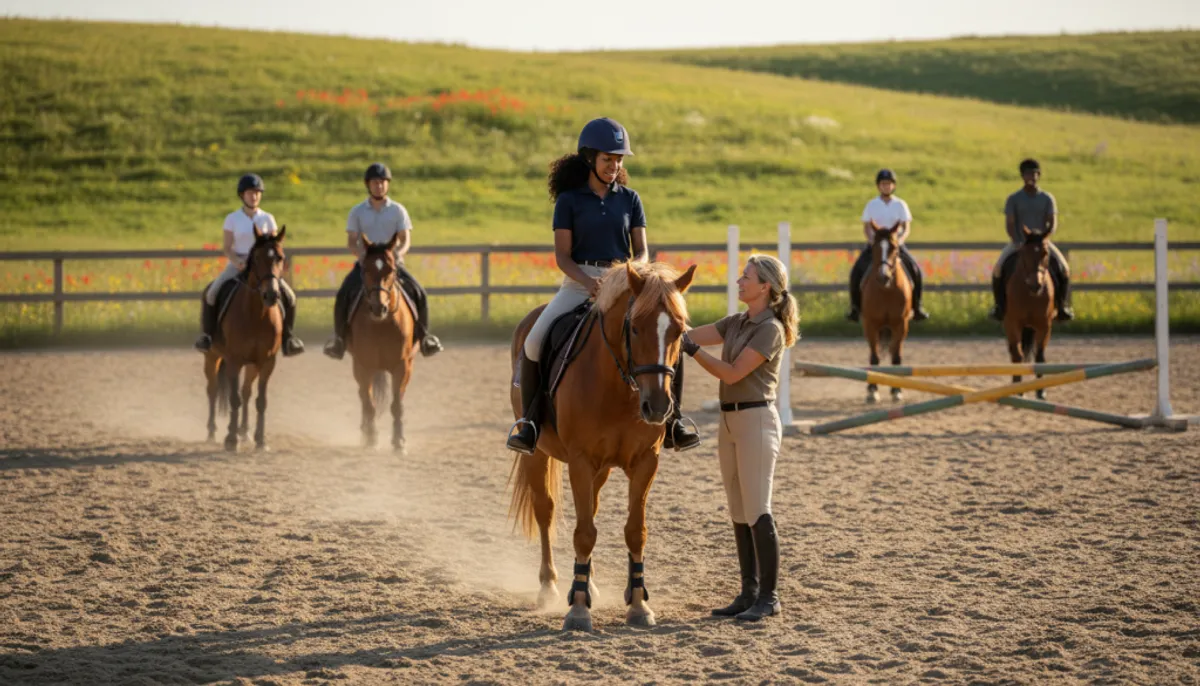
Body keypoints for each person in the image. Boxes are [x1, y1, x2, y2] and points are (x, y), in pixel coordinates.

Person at [505, 117, 701, 455]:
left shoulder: (630, 199)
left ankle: (674, 422)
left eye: (619, 160)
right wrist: (588, 282)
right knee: (535, 341)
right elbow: (563, 257)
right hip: (578, 283)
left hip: (625, 283)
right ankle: (531, 425)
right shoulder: (569, 201)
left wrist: (633, 272)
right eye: (607, 160)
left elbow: (641, 250)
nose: (614, 166)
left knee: (669, 342)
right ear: (590, 159)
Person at [679, 254, 799, 622]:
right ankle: (748, 591)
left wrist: (695, 352)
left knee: (758, 509)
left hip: (757, 420)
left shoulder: (770, 329)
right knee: (737, 510)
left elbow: (732, 374)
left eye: (746, 278)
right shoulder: (735, 322)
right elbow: (686, 334)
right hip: (729, 423)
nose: (739, 282)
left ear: (765, 286)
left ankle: (770, 596)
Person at [323, 163, 444, 360]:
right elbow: (352, 241)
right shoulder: (357, 211)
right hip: (367, 266)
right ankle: (339, 340)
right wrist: (361, 256)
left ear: (387, 185)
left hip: (391, 265)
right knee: (343, 294)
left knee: (419, 292)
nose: (378, 186)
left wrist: (397, 254)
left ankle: (425, 338)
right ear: (368, 185)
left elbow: (405, 240)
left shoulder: (398, 210)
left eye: (382, 182)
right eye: (375, 183)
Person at [195, 173, 304, 356]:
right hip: (239, 263)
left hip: (264, 268)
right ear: (242, 195)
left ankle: (288, 339)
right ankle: (208, 336)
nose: (254, 196)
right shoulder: (232, 219)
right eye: (250, 193)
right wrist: (237, 261)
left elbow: (275, 246)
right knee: (212, 293)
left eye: (257, 193)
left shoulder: (268, 218)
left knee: (290, 297)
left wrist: (276, 266)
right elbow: (227, 247)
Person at [991, 158, 1074, 321]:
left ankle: (1062, 306)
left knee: (1064, 269)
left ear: (1039, 175)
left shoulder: (1047, 198)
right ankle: (999, 306)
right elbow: (1010, 224)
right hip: (1019, 243)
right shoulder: (1013, 199)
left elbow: (1052, 222)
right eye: (1028, 174)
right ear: (1022, 176)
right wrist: (1017, 241)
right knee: (998, 269)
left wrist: (1044, 238)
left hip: (1042, 243)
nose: (1032, 177)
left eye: (1035, 174)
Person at [846, 169, 929, 322]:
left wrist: (900, 240)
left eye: (889, 184)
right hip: (876, 245)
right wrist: (872, 241)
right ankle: (855, 308)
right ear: (879, 186)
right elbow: (866, 227)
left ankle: (917, 306)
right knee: (856, 271)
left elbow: (906, 227)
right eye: (883, 184)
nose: (886, 187)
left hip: (894, 245)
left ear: (893, 186)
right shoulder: (872, 205)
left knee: (915, 270)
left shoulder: (900, 204)